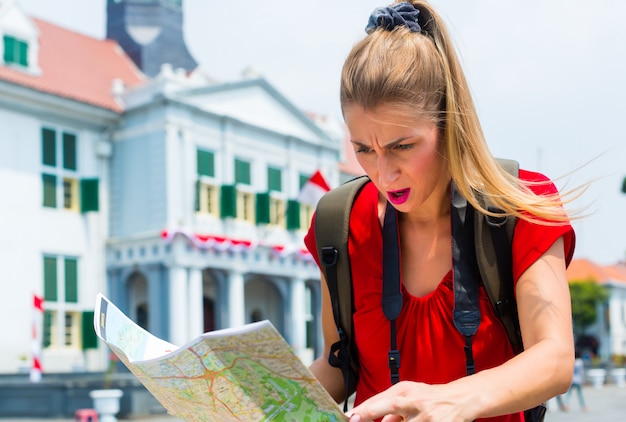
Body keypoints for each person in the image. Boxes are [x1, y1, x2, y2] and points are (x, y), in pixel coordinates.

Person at [304, 1, 580, 421]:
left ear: (449, 124)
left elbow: (555, 358)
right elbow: (339, 364)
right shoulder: (336, 223)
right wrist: (261, 402)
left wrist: (451, 401)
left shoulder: (518, 204)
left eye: (402, 147)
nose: (383, 173)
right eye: (363, 149)